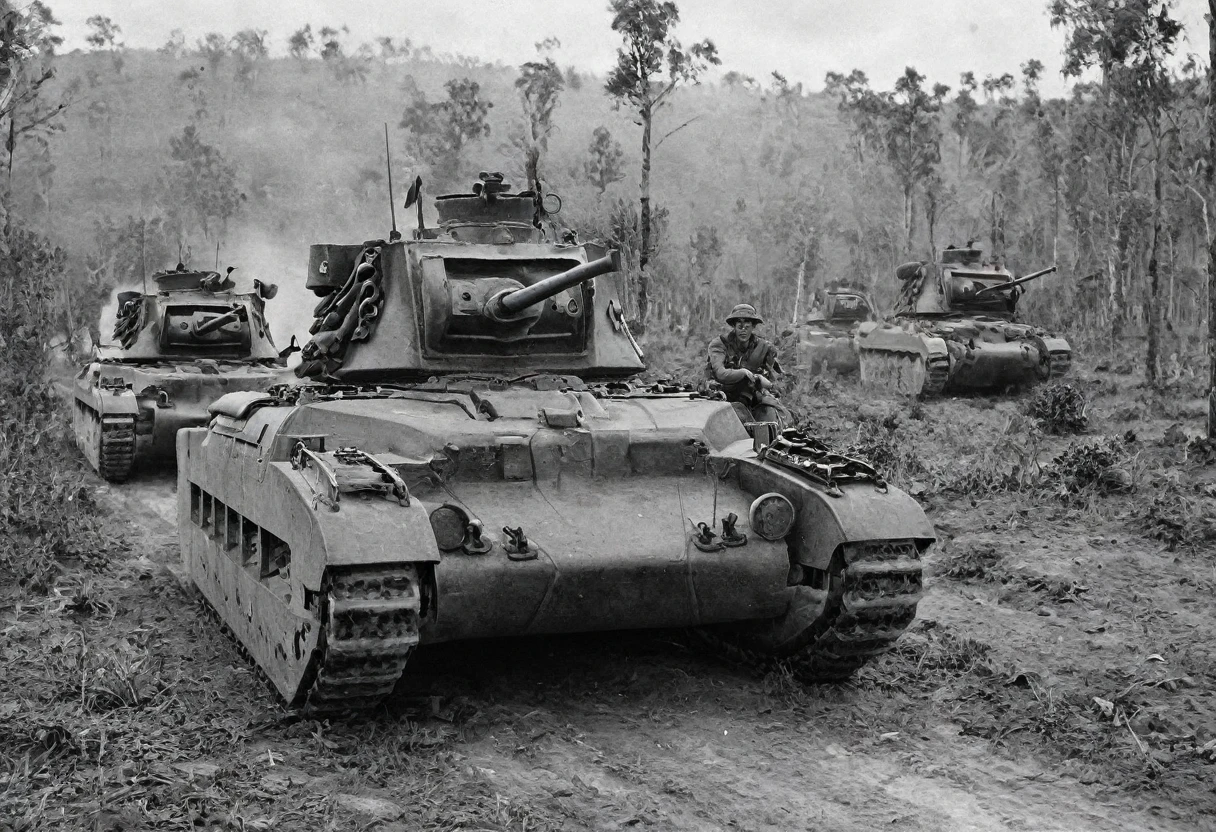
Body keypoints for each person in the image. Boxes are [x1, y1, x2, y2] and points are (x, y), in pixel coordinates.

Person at [706, 303, 791, 426]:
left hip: (751, 398)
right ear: (734, 326)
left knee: (777, 417)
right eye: (739, 326)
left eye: (747, 326)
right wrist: (745, 373)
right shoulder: (720, 344)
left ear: (753, 327)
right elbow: (721, 374)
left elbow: (772, 384)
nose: (743, 330)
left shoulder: (763, 348)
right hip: (722, 397)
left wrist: (766, 386)